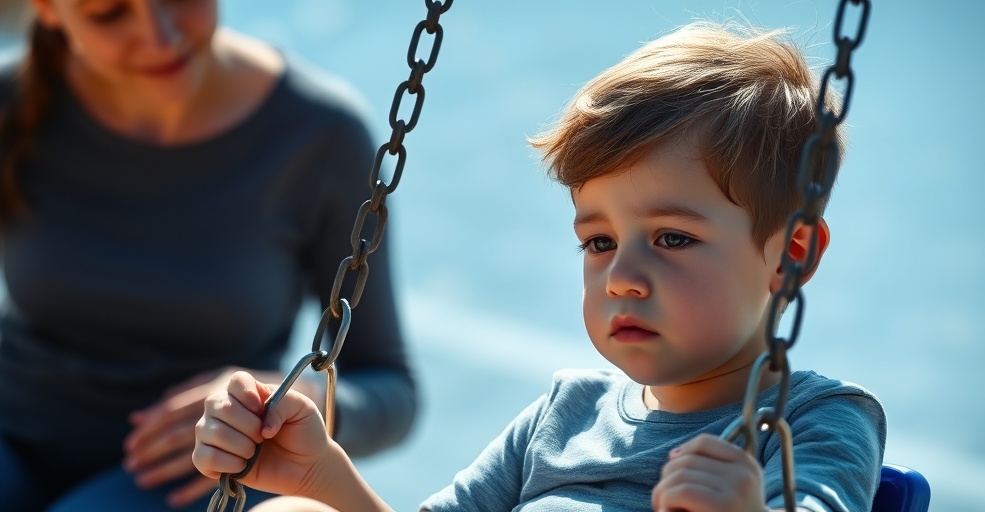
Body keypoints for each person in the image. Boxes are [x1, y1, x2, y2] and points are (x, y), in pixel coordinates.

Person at [192, 21, 886, 512]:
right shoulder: (565, 413)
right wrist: (324, 477)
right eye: (598, 242)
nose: (621, 277)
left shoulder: (809, 423)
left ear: (790, 256)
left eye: (672, 239)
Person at [0, 1, 417, 510]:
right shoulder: (13, 101)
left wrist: (283, 396)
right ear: (46, 9)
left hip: (202, 471)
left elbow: (392, 389)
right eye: (108, 13)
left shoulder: (320, 135)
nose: (159, 36)